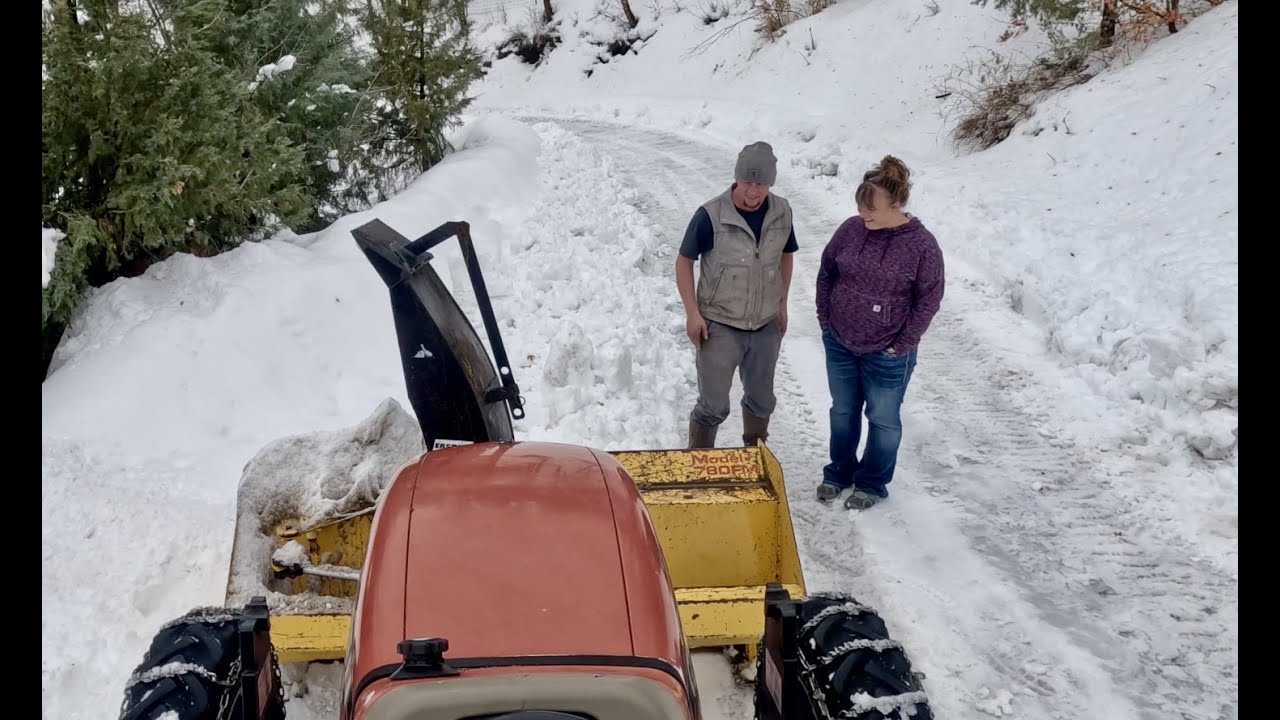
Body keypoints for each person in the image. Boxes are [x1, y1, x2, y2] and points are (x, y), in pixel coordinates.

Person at [815, 155, 944, 510]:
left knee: (883, 420)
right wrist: (825, 319)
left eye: (871, 208)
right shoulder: (851, 229)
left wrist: (902, 344)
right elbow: (827, 272)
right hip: (840, 341)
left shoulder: (922, 245)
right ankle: (839, 473)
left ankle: (872, 483)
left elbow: (929, 299)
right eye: (860, 205)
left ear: (896, 204)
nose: (863, 214)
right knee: (843, 411)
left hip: (887, 352)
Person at [676, 141, 798, 448]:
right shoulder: (711, 215)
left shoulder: (782, 212)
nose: (754, 191)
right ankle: (699, 460)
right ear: (736, 178)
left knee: (762, 399)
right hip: (719, 324)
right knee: (713, 405)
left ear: (771, 183)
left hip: (765, 323)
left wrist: (782, 302)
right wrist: (692, 313)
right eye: (747, 182)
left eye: (761, 184)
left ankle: (754, 456)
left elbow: (786, 254)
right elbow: (684, 261)